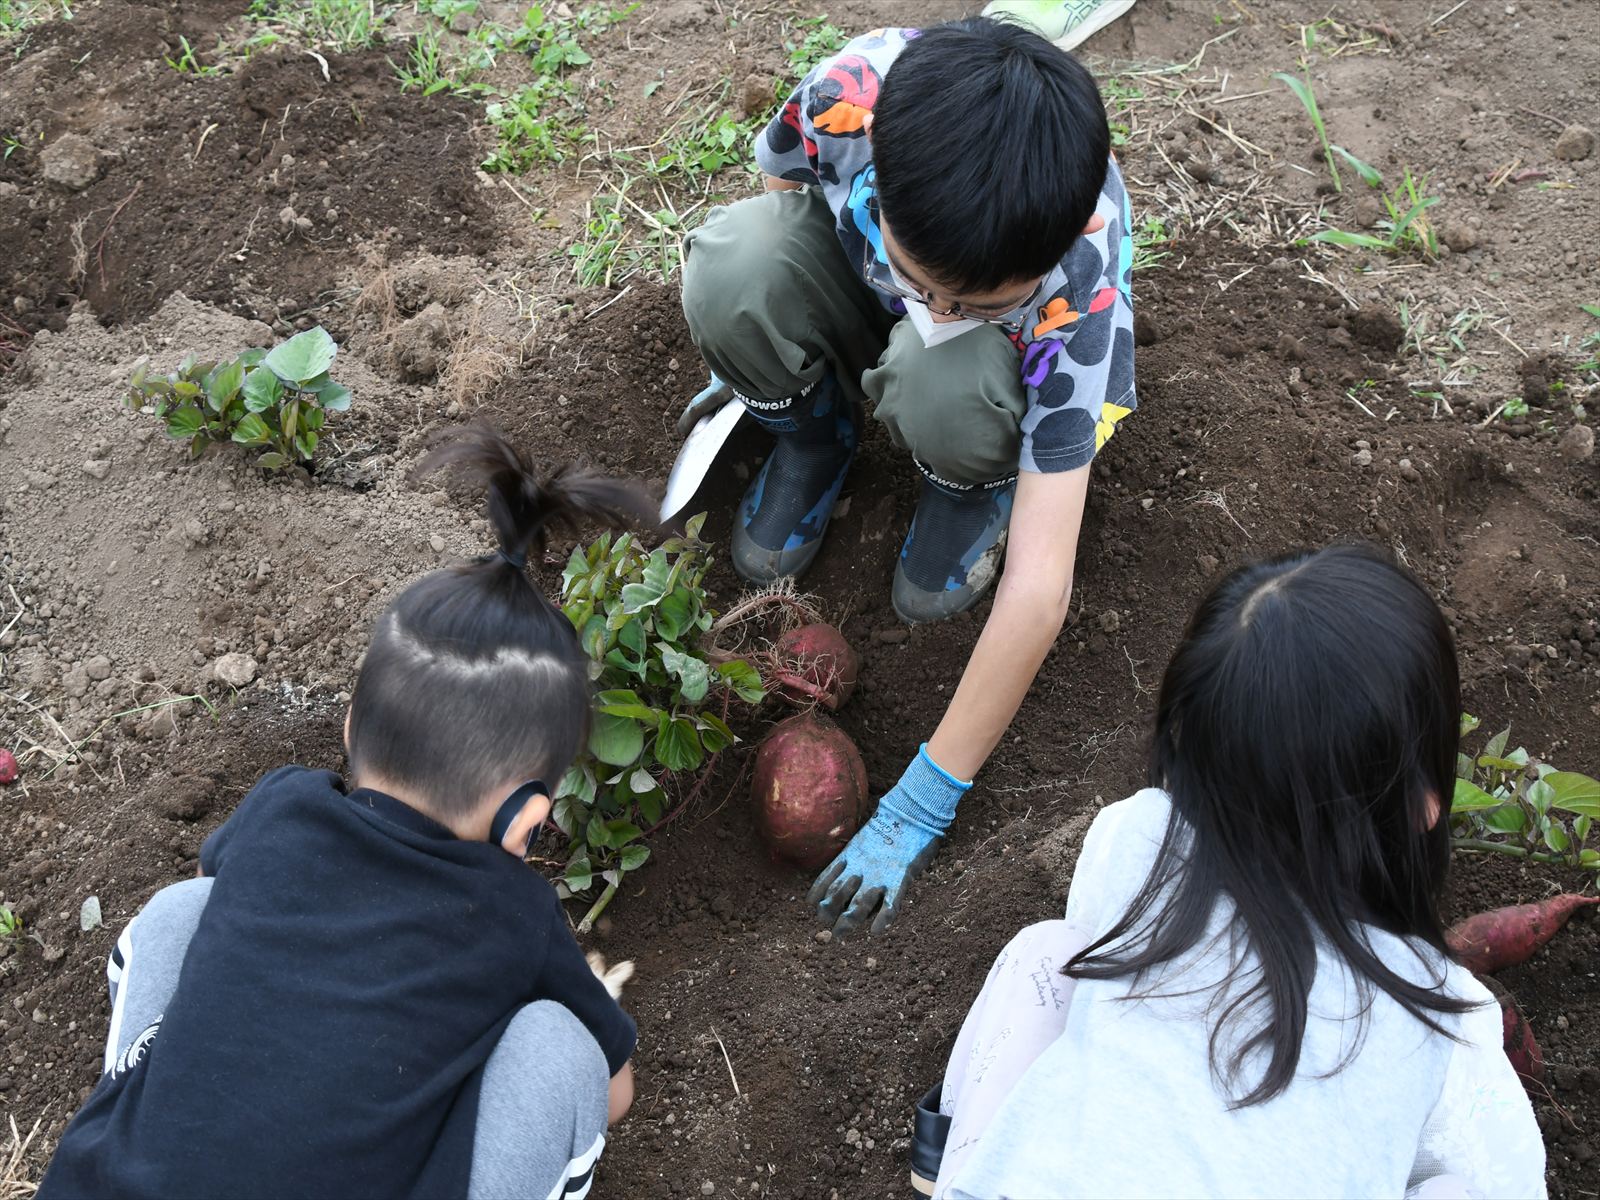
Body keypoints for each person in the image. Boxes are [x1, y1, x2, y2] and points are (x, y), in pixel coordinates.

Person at [40, 428, 650, 1200]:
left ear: (351, 727)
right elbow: (614, 1092)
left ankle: (146, 1120)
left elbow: (224, 911)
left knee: (182, 913)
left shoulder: (283, 807)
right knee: (563, 1048)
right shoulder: (514, 914)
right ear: (527, 820)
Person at [678, 16, 1136, 936]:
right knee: (734, 269)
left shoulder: (1077, 287)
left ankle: (967, 484)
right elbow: (787, 199)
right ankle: (815, 437)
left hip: (986, 387)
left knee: (945, 372)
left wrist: (927, 794)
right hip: (865, 290)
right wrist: (763, 353)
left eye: (977, 302)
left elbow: (1041, 588)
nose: (938, 311)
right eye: (923, 283)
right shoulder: (846, 99)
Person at [913, 544, 1547, 1199]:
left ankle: (948, 1170)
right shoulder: (1445, 1016)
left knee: (1052, 953)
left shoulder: (1135, 838)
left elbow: (1105, 965)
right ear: (1424, 805)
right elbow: (1514, 1182)